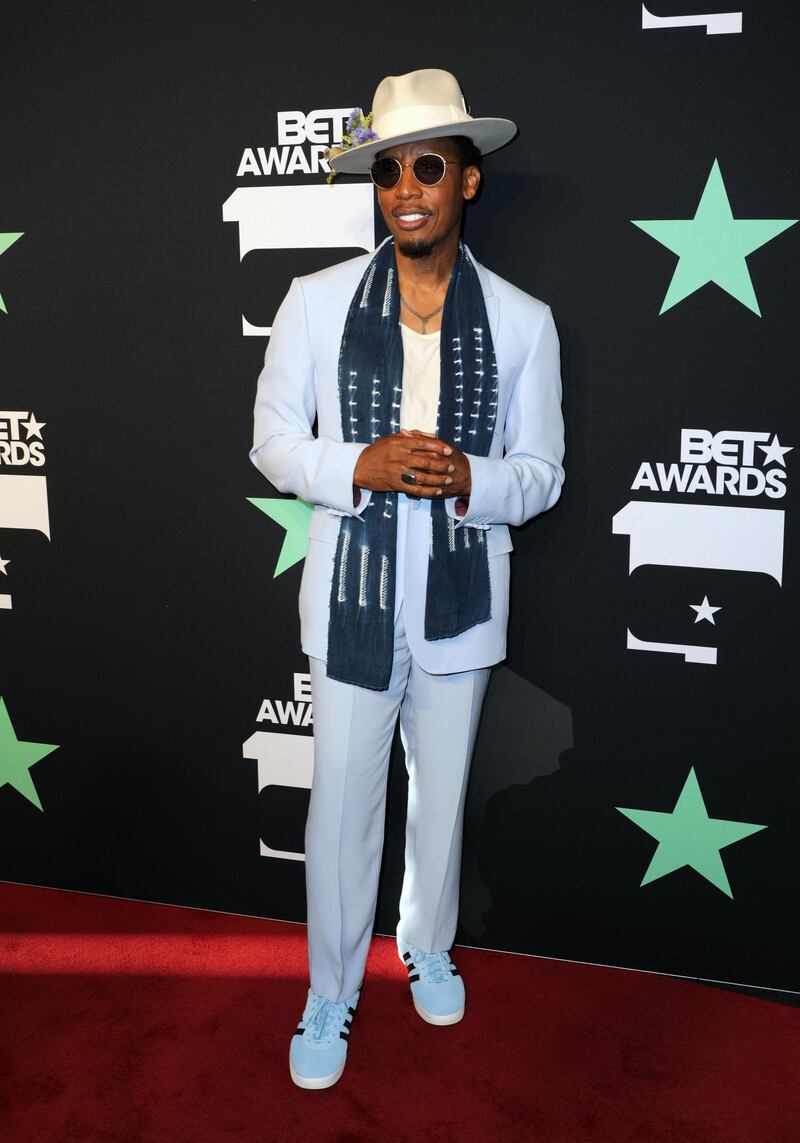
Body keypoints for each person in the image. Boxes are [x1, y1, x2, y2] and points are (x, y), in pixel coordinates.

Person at [250, 68, 565, 1089]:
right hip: (349, 599)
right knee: (339, 804)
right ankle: (329, 993)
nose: (406, 190)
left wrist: (474, 480)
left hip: (460, 610)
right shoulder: (313, 303)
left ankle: (422, 941)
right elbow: (270, 446)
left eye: (426, 167)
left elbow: (543, 473)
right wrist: (355, 466)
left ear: (466, 180)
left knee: (438, 801)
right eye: (388, 173)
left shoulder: (522, 323)